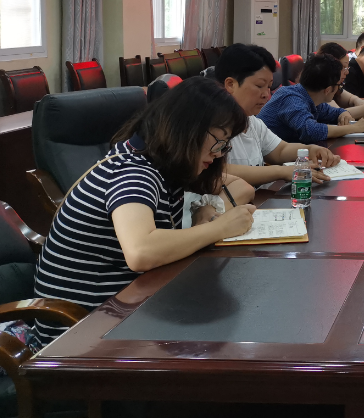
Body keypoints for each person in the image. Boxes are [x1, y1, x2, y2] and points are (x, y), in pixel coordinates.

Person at [31, 78, 258, 348]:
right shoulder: (134, 172)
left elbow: (236, 187)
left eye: (224, 145)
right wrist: (219, 228)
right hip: (78, 337)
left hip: (122, 313)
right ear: (187, 128)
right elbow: (141, 251)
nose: (218, 154)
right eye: (218, 141)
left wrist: (204, 209)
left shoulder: (161, 165)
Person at [214, 43, 340, 187]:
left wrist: (311, 150)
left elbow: (280, 150)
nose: (266, 94)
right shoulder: (211, 124)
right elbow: (219, 171)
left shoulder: (252, 121)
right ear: (231, 84)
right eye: (259, 86)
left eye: (269, 86)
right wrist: (281, 172)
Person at [259, 55, 364, 143]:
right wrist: (354, 128)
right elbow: (310, 131)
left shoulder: (310, 98)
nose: (339, 88)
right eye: (339, 85)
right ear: (328, 90)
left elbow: (332, 112)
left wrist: (343, 114)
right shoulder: (291, 98)